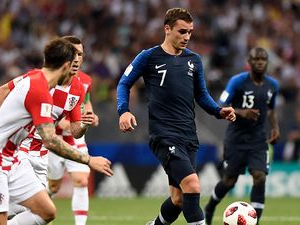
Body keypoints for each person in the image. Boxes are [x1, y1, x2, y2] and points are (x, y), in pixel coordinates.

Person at [0, 37, 113, 225]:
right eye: (74, 57)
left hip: (15, 159)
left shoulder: (51, 86)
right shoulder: (37, 86)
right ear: (65, 66)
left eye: (81, 55)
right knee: (0, 219)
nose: (77, 62)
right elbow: (50, 139)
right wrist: (89, 159)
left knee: (47, 212)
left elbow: (62, 131)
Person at [116, 8, 236, 225]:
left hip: (189, 136)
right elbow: (124, 83)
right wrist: (123, 110)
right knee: (192, 185)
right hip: (164, 135)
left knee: (179, 199)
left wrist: (219, 111)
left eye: (190, 32)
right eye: (182, 31)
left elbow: (201, 95)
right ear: (167, 29)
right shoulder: (149, 57)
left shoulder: (194, 60)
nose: (187, 37)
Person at [204, 47, 280, 225]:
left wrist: (275, 128)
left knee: (259, 176)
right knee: (229, 181)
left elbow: (271, 110)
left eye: (263, 59)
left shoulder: (273, 85)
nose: (260, 62)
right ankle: (210, 206)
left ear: (267, 62)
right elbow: (221, 104)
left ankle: (255, 221)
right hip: (236, 139)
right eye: (256, 59)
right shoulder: (237, 82)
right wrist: (240, 112)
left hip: (258, 140)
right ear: (249, 62)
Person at [46, 36, 99, 225]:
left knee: (81, 180)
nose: (77, 58)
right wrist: (61, 123)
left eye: (81, 54)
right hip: (50, 140)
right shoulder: (49, 79)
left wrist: (90, 115)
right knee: (53, 186)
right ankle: (42, 210)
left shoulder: (84, 81)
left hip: (75, 139)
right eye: (74, 53)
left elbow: (85, 102)